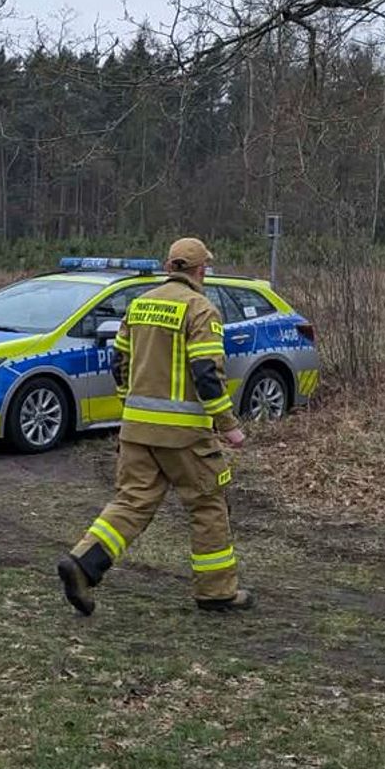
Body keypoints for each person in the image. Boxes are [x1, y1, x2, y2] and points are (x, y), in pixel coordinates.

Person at [57, 237, 252, 615]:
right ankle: (217, 592)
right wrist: (228, 425)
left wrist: (130, 403)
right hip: (184, 437)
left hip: (136, 429)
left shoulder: (139, 305)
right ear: (200, 271)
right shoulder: (201, 309)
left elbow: (119, 362)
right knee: (208, 504)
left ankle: (81, 564)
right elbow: (206, 373)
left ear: (168, 268)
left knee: (131, 502)